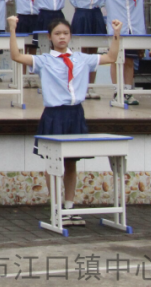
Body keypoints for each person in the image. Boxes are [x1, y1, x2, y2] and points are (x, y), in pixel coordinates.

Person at [9, 15, 122, 226]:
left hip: (75, 113)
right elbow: (16, 56)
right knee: (54, 162)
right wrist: (12, 29)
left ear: (70, 36)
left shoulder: (81, 58)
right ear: (50, 37)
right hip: (54, 114)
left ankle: (70, 207)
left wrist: (116, 34)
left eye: (65, 33)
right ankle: (56, 207)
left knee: (71, 163)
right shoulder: (44, 60)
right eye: (57, 34)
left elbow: (110, 58)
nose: (62, 37)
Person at [56, 0, 106, 100]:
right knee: (82, 52)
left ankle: (91, 86)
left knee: (94, 53)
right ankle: (80, 86)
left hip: (96, 14)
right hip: (82, 14)